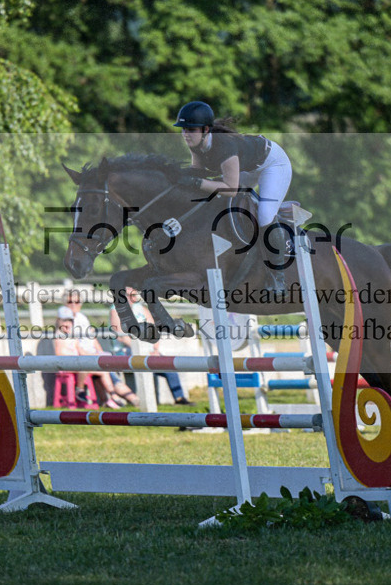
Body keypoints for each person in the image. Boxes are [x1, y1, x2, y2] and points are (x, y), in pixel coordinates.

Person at [173, 101, 293, 294]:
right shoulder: (197, 144)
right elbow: (198, 172)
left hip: (272, 165)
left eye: (191, 130)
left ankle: (278, 276)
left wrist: (197, 184)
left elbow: (230, 189)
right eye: (183, 130)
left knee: (264, 216)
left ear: (205, 130)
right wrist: (175, 176)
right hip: (246, 168)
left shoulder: (224, 146)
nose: (186, 134)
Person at [109, 287, 192, 405]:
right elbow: (121, 336)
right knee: (147, 361)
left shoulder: (141, 309)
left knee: (169, 365)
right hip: (125, 351)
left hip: (147, 350)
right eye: (127, 295)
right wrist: (142, 348)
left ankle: (179, 398)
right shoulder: (115, 311)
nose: (131, 298)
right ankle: (142, 402)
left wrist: (155, 349)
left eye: (134, 295)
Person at [59, 293, 139, 408]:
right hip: (81, 357)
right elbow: (75, 345)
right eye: (70, 302)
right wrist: (92, 354)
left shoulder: (82, 317)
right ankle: (125, 397)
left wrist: (99, 352)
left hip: (90, 355)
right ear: (65, 304)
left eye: (76, 302)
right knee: (104, 369)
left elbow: (93, 338)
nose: (73, 305)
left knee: (104, 365)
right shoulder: (65, 322)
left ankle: (110, 399)